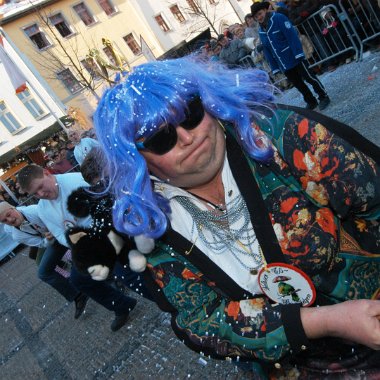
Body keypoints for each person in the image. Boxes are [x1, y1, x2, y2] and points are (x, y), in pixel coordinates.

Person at [93, 57, 380, 377]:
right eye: (161, 139)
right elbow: (204, 321)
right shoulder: (153, 230)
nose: (188, 137)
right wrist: (324, 322)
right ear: (136, 159)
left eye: (191, 113)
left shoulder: (284, 138)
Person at [17, 165, 138, 331]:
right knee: (78, 279)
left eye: (40, 187)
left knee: (125, 273)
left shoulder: (77, 182)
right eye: (35, 193)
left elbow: (106, 208)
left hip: (110, 233)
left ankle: (164, 299)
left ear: (47, 173)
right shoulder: (43, 209)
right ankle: (121, 305)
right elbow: (59, 234)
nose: (41, 194)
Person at [0, 199, 88, 317]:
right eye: (5, 221)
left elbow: (60, 218)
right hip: (53, 242)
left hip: (63, 230)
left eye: (9, 215)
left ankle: (99, 267)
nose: (10, 220)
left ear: (13, 208)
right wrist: (48, 239)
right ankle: (77, 295)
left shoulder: (34, 211)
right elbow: (40, 244)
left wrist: (55, 229)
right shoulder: (17, 235)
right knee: (43, 272)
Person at [251, 1, 331, 110]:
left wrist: (298, 53)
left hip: (294, 56)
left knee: (309, 78)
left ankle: (323, 96)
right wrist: (274, 67)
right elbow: (267, 49)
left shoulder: (278, 18)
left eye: (260, 13)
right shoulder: (261, 31)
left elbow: (291, 35)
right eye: (256, 16)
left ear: (265, 10)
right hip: (283, 62)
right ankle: (311, 100)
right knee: (298, 83)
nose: (259, 17)